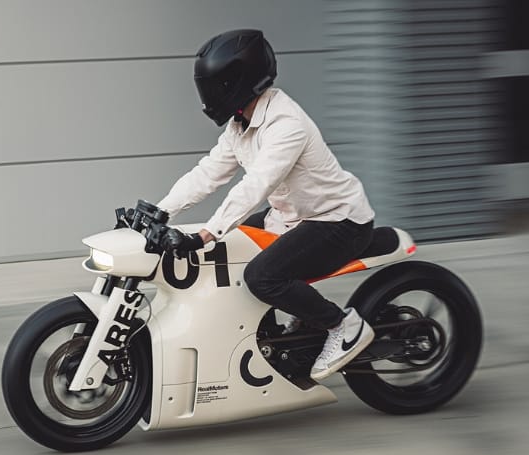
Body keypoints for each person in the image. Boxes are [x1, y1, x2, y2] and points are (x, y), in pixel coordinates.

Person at [157, 29, 375, 380]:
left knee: (262, 277)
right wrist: (162, 210)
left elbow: (256, 185)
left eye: (216, 85)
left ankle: (342, 325)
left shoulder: (286, 124)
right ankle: (281, 333)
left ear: (239, 81)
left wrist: (206, 233)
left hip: (338, 222)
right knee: (231, 251)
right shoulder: (240, 123)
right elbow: (210, 171)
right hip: (290, 216)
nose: (209, 95)